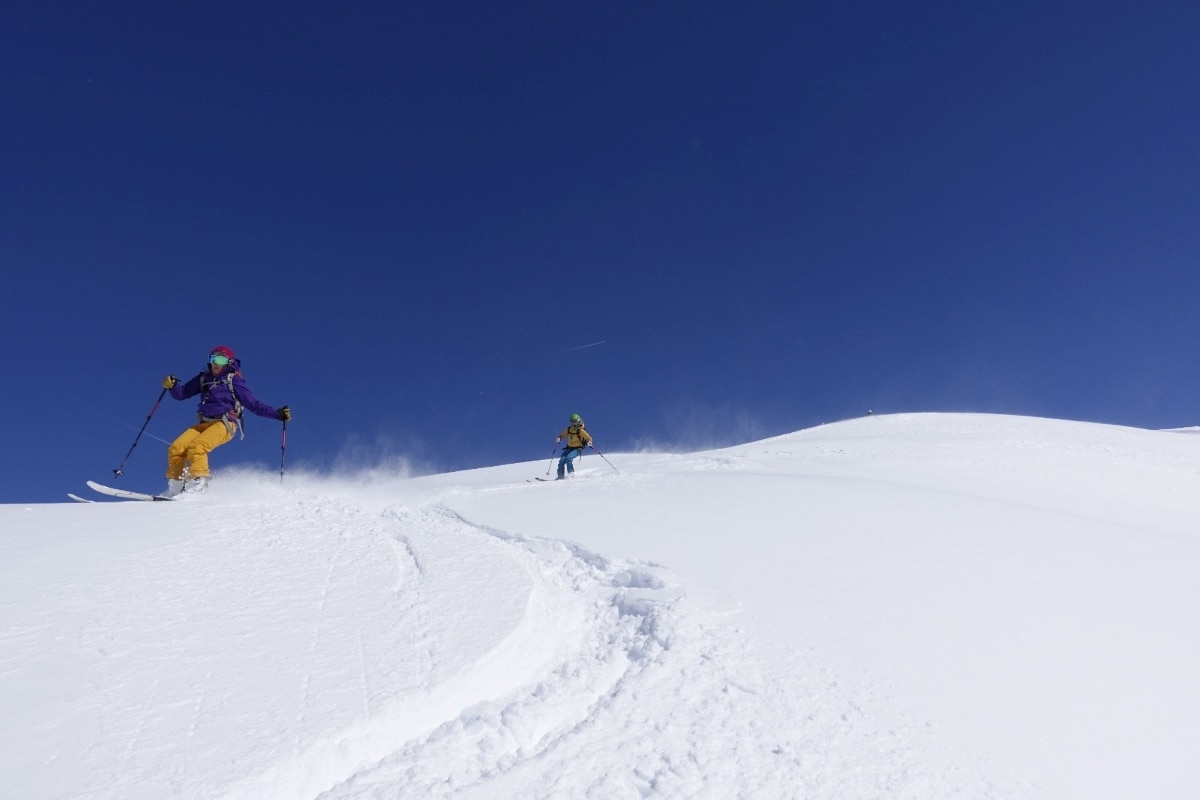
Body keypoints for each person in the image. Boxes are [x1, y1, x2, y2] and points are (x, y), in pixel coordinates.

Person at [160, 345, 290, 496]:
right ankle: (176, 488)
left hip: (225, 424)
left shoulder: (233, 380)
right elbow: (181, 394)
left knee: (197, 447)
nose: (216, 363)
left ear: (228, 362)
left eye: (220, 359)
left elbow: (253, 404)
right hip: (204, 423)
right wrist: (173, 386)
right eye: (213, 359)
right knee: (176, 448)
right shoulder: (203, 378)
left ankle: (200, 486)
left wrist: (277, 414)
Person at [554, 413, 593, 479]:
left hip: (577, 449)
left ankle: (571, 474)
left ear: (578, 421)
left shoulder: (580, 430)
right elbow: (562, 435)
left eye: (574, 422)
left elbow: (589, 438)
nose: (573, 423)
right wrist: (559, 438)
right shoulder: (569, 429)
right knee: (562, 460)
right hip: (569, 447)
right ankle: (560, 477)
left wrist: (589, 442)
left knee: (568, 458)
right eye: (572, 422)